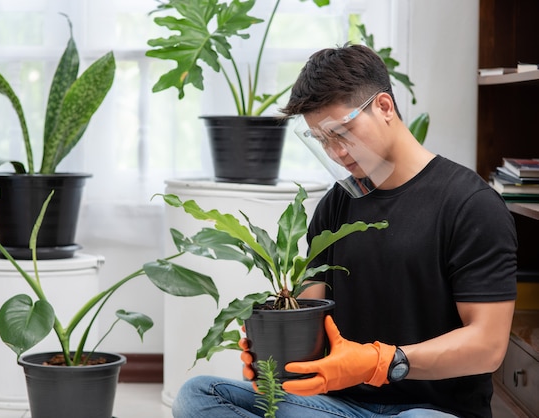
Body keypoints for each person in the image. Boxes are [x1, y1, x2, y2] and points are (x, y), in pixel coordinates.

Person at [171, 44, 517, 418]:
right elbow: (310, 314)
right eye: (322, 140)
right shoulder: (335, 207)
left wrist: (380, 362)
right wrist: (275, 348)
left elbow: (488, 345)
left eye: (342, 133)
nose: (336, 152)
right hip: (339, 406)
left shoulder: (471, 204)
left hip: (432, 409)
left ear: (384, 107)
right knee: (198, 395)